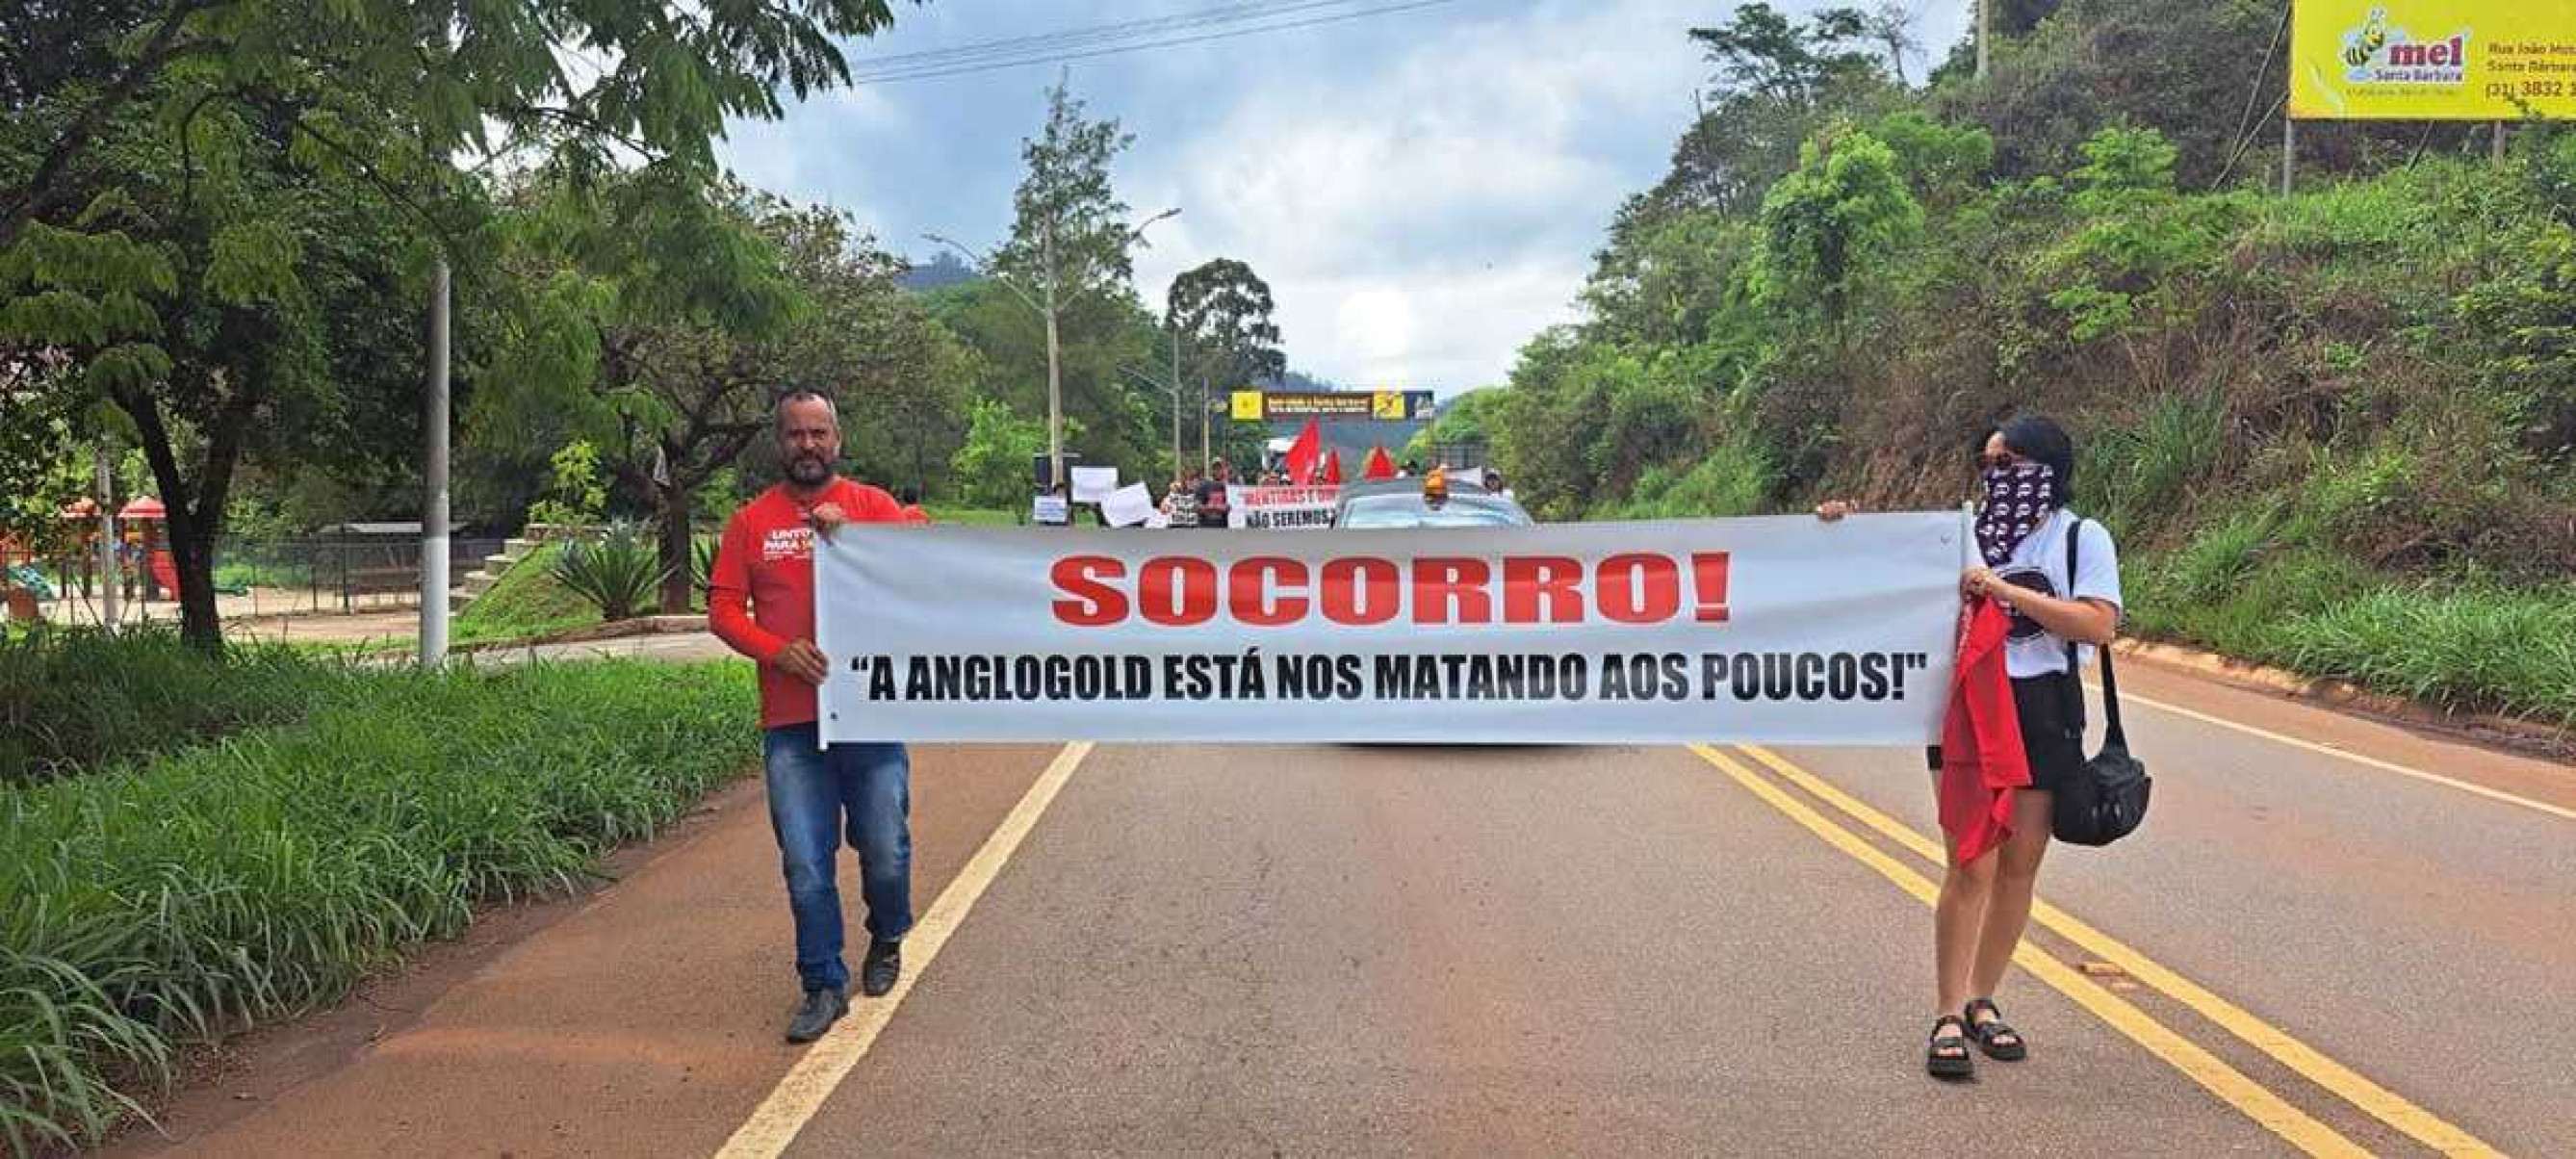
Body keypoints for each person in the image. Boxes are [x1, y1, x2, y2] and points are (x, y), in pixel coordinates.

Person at [1817, 415, 2121, 1081]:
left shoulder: (2078, 538)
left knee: (2019, 865)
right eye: (1987, 462)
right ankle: (1948, 1012)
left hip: (2043, 707)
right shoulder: (1955, 535)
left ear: (2048, 468)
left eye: (2009, 462)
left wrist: (2004, 591)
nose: (1995, 475)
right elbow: (1876, 566)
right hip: (1966, 707)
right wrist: (1839, 530)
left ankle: (1985, 1000)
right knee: (1970, 863)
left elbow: (2097, 622)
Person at [708, 391, 917, 1044]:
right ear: (781, 442)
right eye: (796, 434)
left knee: (885, 846)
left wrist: (855, 535)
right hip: (793, 724)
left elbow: (926, 553)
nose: (808, 444)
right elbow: (724, 612)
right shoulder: (751, 522)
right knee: (805, 860)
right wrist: (778, 652)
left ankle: (886, 935)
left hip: (869, 714)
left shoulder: (871, 505)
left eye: (818, 433)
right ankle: (821, 982)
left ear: (838, 440)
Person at [1196, 459, 1234, 529]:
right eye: (1215, 468)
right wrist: (1214, 508)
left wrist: (1225, 508)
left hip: (1224, 528)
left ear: (1224, 470)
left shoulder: (1230, 487)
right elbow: (1197, 507)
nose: (1217, 471)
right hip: (1206, 527)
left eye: (1220, 468)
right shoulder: (1203, 485)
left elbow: (1233, 508)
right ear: (1211, 470)